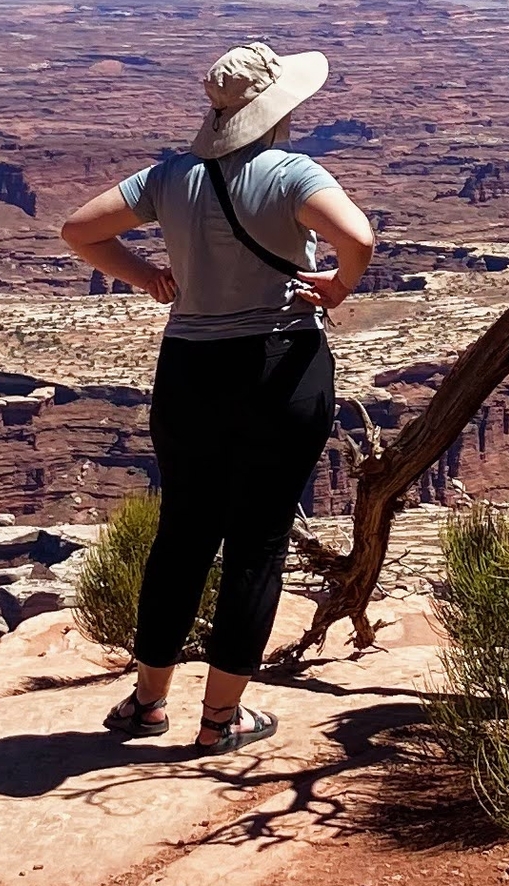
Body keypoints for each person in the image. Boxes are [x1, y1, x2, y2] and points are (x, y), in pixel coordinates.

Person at [57, 41, 376, 754]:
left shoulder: (171, 177)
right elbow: (357, 236)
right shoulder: (293, 173)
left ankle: (147, 704)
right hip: (279, 364)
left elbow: (79, 231)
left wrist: (146, 277)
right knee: (256, 543)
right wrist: (339, 286)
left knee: (183, 535)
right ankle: (220, 721)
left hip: (190, 370)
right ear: (279, 109)